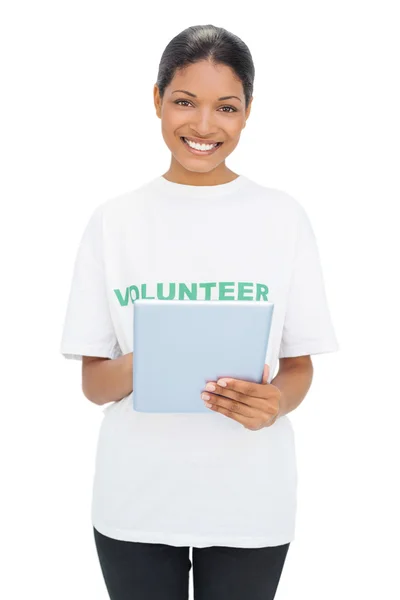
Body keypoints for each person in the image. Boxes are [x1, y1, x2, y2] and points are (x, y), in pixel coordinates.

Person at [60, 23, 339, 600]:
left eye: (226, 107)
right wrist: (160, 355)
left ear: (248, 112)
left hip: (250, 500)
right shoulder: (114, 222)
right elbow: (94, 383)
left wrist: (277, 402)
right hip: (136, 498)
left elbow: (298, 365)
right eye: (185, 102)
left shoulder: (282, 218)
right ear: (156, 99)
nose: (204, 126)